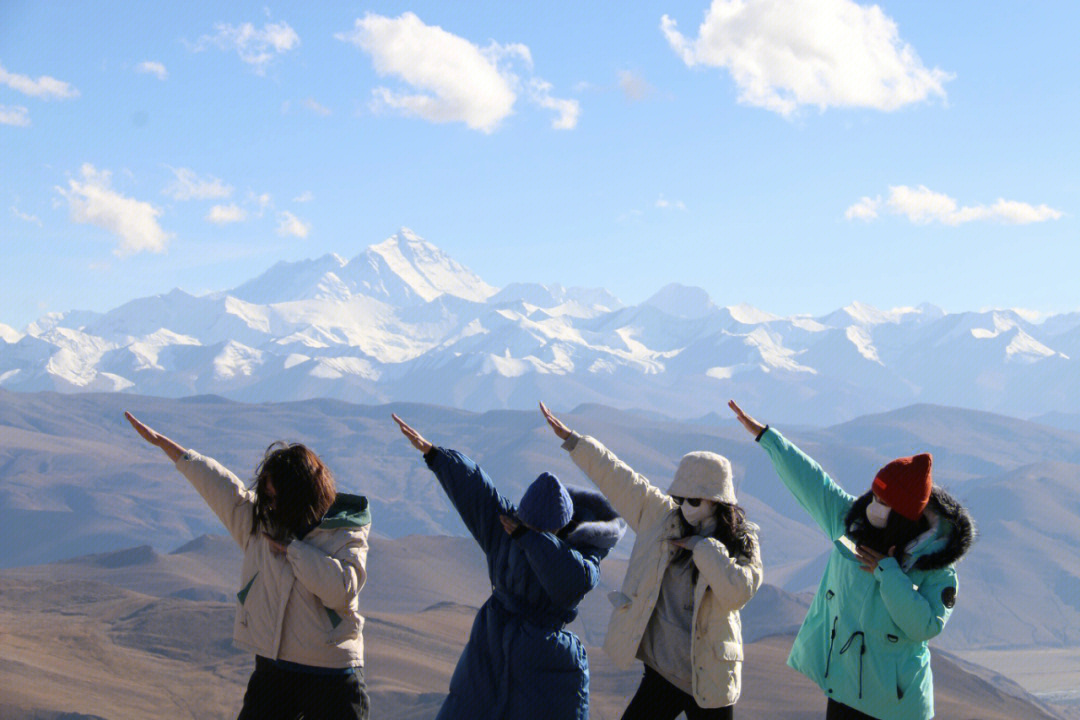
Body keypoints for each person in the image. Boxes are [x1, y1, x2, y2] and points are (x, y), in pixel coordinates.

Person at [727, 400, 975, 720]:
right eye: (874, 496)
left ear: (904, 515)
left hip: (895, 707)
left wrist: (889, 574)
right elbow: (813, 482)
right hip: (845, 691)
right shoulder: (850, 524)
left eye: (885, 502)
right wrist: (768, 439)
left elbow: (924, 626)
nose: (874, 505)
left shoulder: (936, 564)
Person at [124, 412, 371, 720]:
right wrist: (169, 448)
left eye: (274, 497)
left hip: (332, 672)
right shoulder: (260, 523)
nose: (268, 504)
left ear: (297, 494)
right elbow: (220, 486)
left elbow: (340, 591)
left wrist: (295, 550)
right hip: (274, 667)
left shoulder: (346, 532)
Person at [392, 413, 625, 720]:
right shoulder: (508, 530)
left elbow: (570, 580)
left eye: (532, 528)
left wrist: (529, 539)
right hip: (489, 644)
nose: (522, 528)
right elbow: (477, 491)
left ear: (556, 530)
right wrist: (436, 456)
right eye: (522, 521)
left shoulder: (582, 557)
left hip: (540, 655)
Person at [539, 402, 762, 720]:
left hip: (711, 682)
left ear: (719, 501)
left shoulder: (743, 540)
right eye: (680, 497)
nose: (684, 506)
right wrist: (574, 441)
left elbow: (738, 591)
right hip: (663, 672)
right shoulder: (662, 517)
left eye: (694, 500)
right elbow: (620, 478)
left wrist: (702, 547)